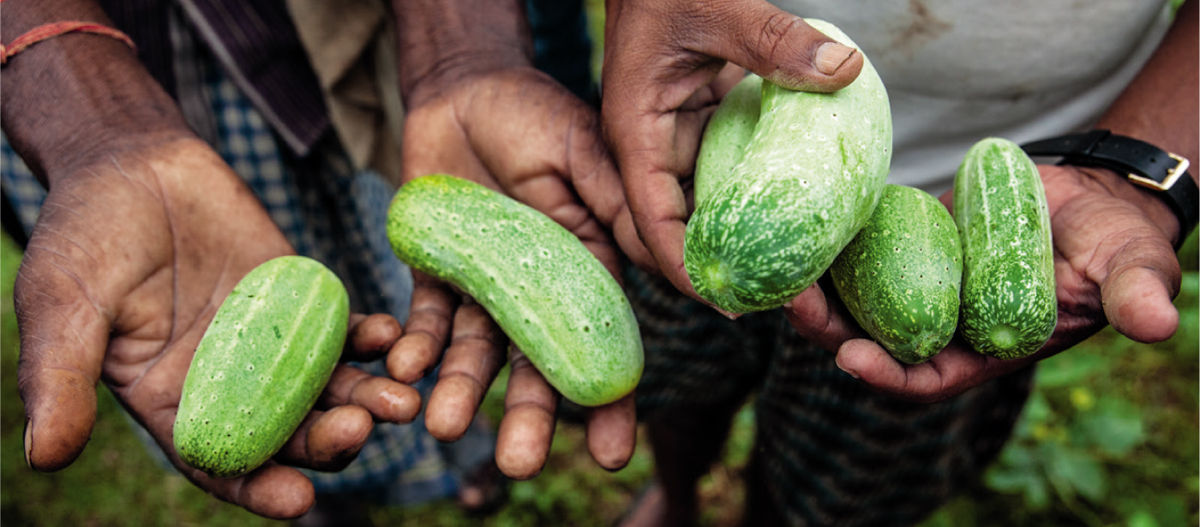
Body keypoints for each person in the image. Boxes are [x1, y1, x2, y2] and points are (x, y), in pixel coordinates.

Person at [1, 0, 640, 521]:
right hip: (86, 71)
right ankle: (347, 500)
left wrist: (462, 53)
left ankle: (435, 466)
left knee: (396, 316)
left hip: (325, 58)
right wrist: (93, 131)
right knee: (383, 351)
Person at [595, 0, 1197, 525]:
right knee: (683, 385)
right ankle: (676, 495)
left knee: (841, 479)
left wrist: (1129, 165)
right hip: (718, 122)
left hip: (1007, 179)